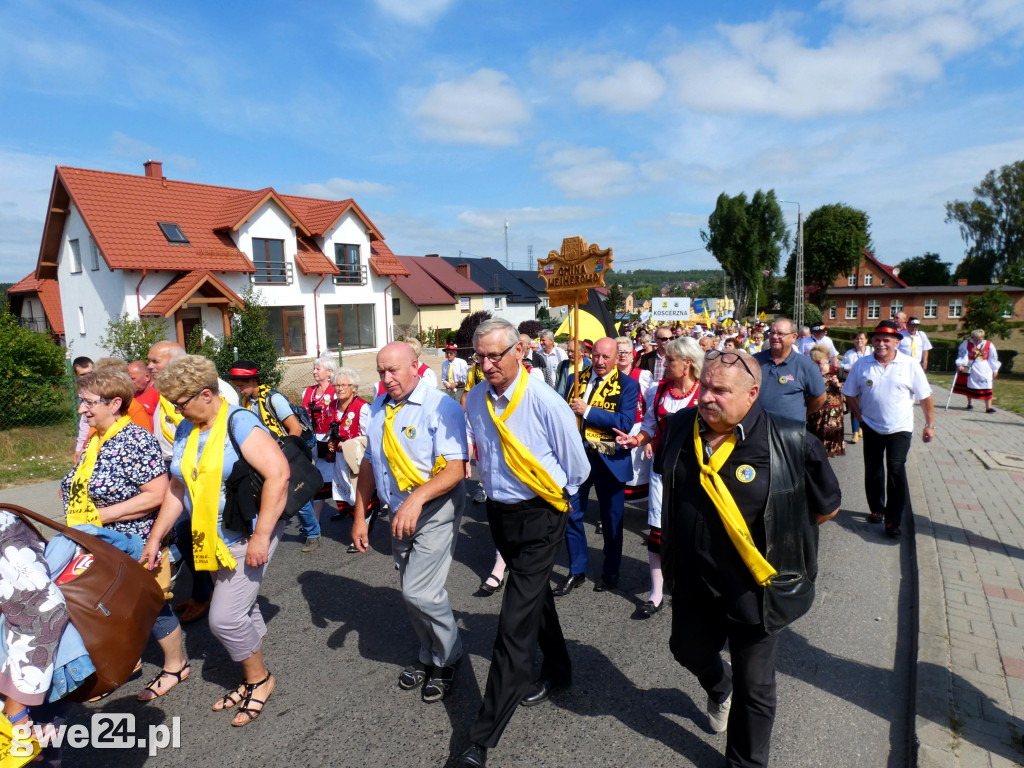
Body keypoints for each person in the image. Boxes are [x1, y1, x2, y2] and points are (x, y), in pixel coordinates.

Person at [655, 349, 841, 768]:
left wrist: (784, 534)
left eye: (720, 390)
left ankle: (745, 764)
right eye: (704, 385)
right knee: (685, 650)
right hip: (692, 581)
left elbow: (826, 506)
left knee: (755, 687)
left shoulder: (792, 441)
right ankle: (719, 686)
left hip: (754, 591)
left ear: (752, 393)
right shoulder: (681, 426)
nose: (706, 397)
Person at [456, 320, 590, 768]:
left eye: (496, 355)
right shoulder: (475, 398)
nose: (488, 364)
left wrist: (548, 499)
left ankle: (481, 738)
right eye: (481, 357)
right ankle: (560, 670)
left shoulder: (545, 401)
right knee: (535, 600)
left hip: (540, 514)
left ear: (520, 352)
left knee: (514, 623)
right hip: (500, 513)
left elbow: (576, 467)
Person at [143, 355, 289, 727]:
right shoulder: (186, 429)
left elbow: (279, 476)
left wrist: (261, 536)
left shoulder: (239, 423)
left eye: (181, 403)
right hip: (211, 536)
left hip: (248, 532)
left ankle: (260, 680)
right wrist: (157, 535)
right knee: (240, 608)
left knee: (223, 619)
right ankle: (250, 668)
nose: (176, 411)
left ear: (206, 394)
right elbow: (178, 485)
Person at [59, 369, 188, 701]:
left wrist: (94, 517)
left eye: (87, 402)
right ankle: (125, 661)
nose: (81, 410)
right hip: (98, 542)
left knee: (149, 606)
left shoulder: (133, 439)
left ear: (115, 403)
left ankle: (176, 665)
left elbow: (157, 494)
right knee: (106, 608)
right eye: (81, 401)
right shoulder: (97, 439)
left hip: (134, 541)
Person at [350, 342, 468, 704]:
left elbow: (456, 469)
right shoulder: (379, 407)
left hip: (433, 507)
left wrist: (417, 499)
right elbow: (369, 461)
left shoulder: (440, 406)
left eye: (394, 370)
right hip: (396, 510)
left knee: (420, 591)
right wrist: (360, 515)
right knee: (409, 588)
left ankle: (449, 656)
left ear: (416, 366)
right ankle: (428, 652)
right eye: (381, 371)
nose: (386, 378)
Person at [614, 336, 702, 618]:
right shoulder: (657, 390)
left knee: (692, 530)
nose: (664, 363)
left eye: (671, 360)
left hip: (695, 472)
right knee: (657, 531)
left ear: (687, 363)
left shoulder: (705, 392)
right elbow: (650, 427)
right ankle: (655, 593)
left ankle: (691, 585)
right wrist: (635, 440)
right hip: (663, 468)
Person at [555, 337, 639, 596]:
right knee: (571, 513)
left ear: (617, 359)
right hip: (577, 458)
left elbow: (624, 422)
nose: (600, 362)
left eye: (606, 357)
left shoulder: (628, 385)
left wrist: (588, 410)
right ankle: (577, 570)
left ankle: (611, 571)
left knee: (612, 519)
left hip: (609, 459)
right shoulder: (575, 380)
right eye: (596, 356)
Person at [842, 320, 935, 538]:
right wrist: (859, 417)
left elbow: (925, 396)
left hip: (900, 428)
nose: (881, 344)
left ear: (896, 342)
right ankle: (877, 508)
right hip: (871, 426)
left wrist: (929, 424)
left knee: (895, 470)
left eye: (886, 340)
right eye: (877, 340)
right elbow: (849, 392)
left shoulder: (910, 364)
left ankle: (893, 521)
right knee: (873, 470)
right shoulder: (862, 365)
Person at [146, 341, 214, 624]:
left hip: (208, 483)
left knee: (196, 539)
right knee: (187, 538)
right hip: (178, 473)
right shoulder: (166, 397)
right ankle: (205, 593)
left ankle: (212, 596)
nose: (149, 366)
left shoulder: (209, 393)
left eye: (155, 361)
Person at [227, 359, 321, 554]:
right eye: (237, 386)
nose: (239, 389)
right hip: (269, 453)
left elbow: (294, 427)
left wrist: (285, 455)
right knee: (291, 493)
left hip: (285, 452)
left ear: (254, 380)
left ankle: (313, 533)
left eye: (242, 385)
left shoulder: (273, 399)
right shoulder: (246, 401)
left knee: (294, 495)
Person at [325, 367, 380, 553]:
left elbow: (372, 437)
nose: (339, 389)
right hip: (341, 461)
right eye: (336, 385)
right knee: (347, 496)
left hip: (357, 460)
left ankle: (362, 534)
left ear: (354, 387)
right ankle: (359, 526)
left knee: (360, 495)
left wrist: (348, 444)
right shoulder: (333, 405)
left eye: (344, 385)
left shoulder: (362, 408)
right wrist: (333, 444)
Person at [752, 318, 826, 424]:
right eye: (772, 333)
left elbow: (820, 398)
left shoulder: (806, 366)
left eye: (780, 334)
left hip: (789, 430)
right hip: (757, 428)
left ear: (794, 337)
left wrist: (800, 414)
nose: (774, 337)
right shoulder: (754, 361)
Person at [302, 354, 338, 543]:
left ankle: (316, 518)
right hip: (311, 440)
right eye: (314, 368)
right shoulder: (307, 392)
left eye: (318, 369)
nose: (314, 371)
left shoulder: (336, 391)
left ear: (329, 372)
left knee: (329, 478)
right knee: (311, 477)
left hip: (330, 439)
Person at [806, 346, 845, 458]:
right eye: (813, 362)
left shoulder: (837, 371)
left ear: (827, 358)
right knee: (816, 435)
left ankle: (825, 457)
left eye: (819, 362)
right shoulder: (811, 373)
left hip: (833, 410)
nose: (817, 365)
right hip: (816, 409)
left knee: (829, 435)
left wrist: (837, 384)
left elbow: (848, 390)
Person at [954, 329, 1001, 413]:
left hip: (984, 367)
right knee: (969, 384)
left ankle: (988, 407)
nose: (977, 341)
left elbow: (993, 358)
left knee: (988, 385)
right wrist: (960, 364)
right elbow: (962, 354)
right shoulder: (966, 343)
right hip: (971, 365)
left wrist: (995, 369)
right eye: (975, 339)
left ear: (982, 337)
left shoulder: (989, 344)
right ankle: (970, 403)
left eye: (979, 339)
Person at [840, 332, 872, 443]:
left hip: (868, 383)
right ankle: (855, 433)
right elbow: (842, 366)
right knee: (855, 407)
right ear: (854, 341)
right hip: (854, 382)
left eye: (862, 339)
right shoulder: (849, 353)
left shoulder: (871, 351)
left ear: (866, 340)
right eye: (857, 339)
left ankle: (862, 427)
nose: (859, 341)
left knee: (866, 407)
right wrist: (850, 367)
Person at [72, 357, 94, 463]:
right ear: (77, 375)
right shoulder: (83, 393)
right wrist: (79, 449)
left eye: (90, 373)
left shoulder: (104, 391)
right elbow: (84, 423)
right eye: (83, 375)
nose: (87, 377)